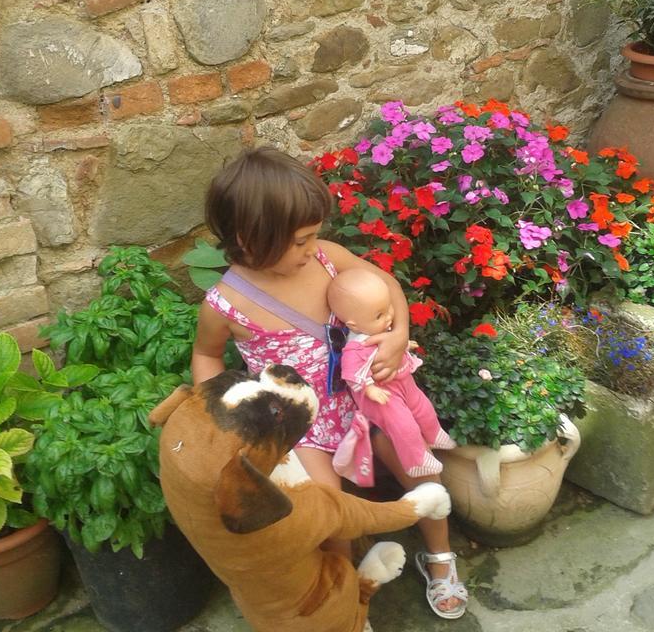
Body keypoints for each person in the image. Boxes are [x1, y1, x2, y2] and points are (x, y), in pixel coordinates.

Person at [190, 146, 468, 619]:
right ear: (250, 237)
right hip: (303, 425)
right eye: (299, 240)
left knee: (418, 468)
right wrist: (217, 416)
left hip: (368, 402)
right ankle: (345, 594)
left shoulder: (328, 259)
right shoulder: (225, 303)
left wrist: (398, 334)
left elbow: (386, 285)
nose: (310, 248)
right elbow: (206, 354)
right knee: (327, 511)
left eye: (313, 236)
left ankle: (439, 556)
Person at [327, 268, 456, 479]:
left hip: (403, 381)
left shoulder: (379, 330)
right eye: (379, 315)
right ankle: (416, 461)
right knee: (404, 427)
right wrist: (368, 388)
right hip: (383, 396)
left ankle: (434, 434)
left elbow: (393, 343)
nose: (388, 317)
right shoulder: (356, 347)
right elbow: (350, 372)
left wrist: (404, 343)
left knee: (423, 408)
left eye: (388, 309)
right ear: (354, 324)